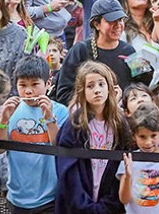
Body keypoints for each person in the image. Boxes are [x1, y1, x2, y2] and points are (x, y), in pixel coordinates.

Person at [0, 55, 70, 214]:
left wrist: (50, 119)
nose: (28, 91)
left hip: (50, 196)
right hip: (16, 196)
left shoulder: (61, 111)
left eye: (35, 84)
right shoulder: (10, 110)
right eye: (22, 85)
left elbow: (60, 147)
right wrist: (3, 120)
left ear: (47, 84)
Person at [55, 61, 128, 213]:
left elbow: (123, 169)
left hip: (108, 206)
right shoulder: (74, 124)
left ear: (110, 88)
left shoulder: (120, 125)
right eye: (90, 86)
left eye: (101, 84)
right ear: (82, 91)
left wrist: (106, 206)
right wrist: (85, 207)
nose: (97, 90)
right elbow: (67, 171)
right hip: (77, 206)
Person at [54, 0, 137, 104]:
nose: (118, 25)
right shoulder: (80, 51)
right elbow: (64, 93)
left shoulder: (129, 51)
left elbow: (140, 84)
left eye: (120, 20)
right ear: (97, 24)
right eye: (111, 21)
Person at [118, 104, 159, 212]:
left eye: (153, 136)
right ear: (134, 136)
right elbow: (124, 200)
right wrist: (127, 177)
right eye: (142, 137)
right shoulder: (128, 160)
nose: (148, 142)